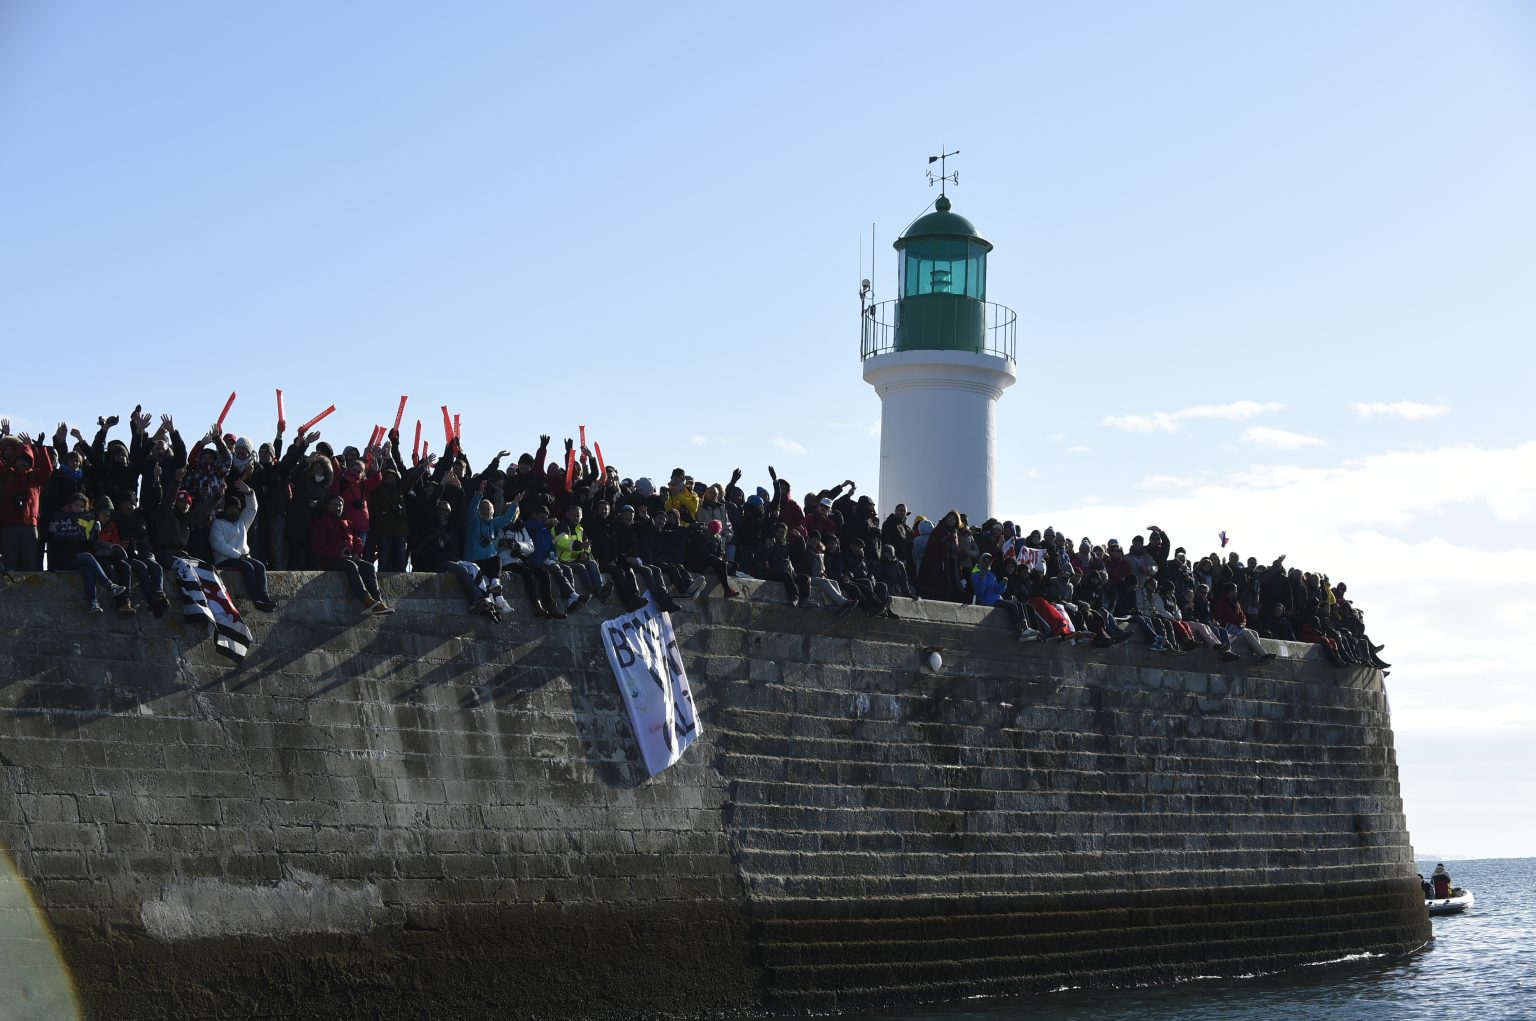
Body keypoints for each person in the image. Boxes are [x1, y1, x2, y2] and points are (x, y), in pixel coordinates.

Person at [311, 494, 393, 615]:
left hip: (348, 558)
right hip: (329, 560)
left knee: (369, 567)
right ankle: (366, 600)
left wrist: (357, 553)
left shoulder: (348, 523)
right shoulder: (322, 523)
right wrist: (338, 553)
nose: (338, 508)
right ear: (328, 506)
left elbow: (357, 541)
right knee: (350, 565)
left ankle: (378, 602)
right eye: (334, 505)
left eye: (340, 505)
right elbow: (318, 546)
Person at [210, 480, 278, 613]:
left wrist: (249, 493)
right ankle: (256, 599)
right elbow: (218, 544)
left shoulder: (242, 521)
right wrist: (238, 555)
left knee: (260, 566)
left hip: (242, 557)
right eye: (231, 508)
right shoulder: (218, 523)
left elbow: (253, 509)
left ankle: (264, 597)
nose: (234, 510)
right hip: (225, 559)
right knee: (247, 567)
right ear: (225, 508)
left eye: (236, 508)